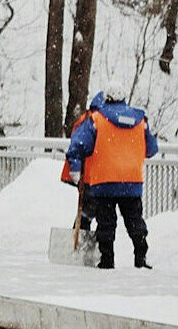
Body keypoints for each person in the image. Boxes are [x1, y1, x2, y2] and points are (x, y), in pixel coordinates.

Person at [64, 87, 159, 269]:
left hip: (104, 181)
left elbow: (79, 145)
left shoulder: (96, 119)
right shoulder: (140, 120)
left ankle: (107, 260)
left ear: (106, 97)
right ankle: (141, 257)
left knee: (106, 223)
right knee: (135, 221)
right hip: (131, 181)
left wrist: (75, 169)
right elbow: (152, 149)